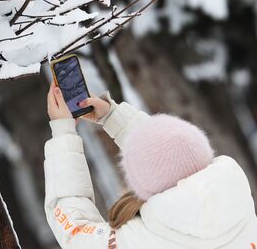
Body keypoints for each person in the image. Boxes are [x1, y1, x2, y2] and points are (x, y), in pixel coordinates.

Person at [45, 83, 257, 248]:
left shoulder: (139, 241)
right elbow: (171, 154)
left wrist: (63, 133)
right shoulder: (239, 205)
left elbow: (76, 233)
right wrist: (112, 116)